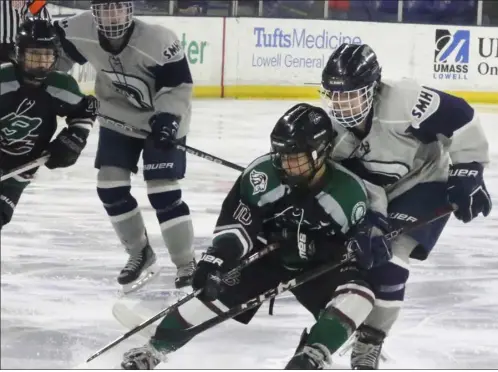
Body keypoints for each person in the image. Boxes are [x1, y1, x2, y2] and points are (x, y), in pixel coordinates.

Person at [118, 103, 392, 370]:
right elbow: (237, 226)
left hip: (317, 264)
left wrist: (366, 243)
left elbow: (361, 245)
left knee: (361, 294)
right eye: (281, 155)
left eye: (294, 158)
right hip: (266, 256)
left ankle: (310, 357)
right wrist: (216, 260)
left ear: (321, 153)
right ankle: (154, 349)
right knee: (211, 289)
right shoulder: (262, 175)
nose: (285, 164)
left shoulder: (348, 193)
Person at [320, 43, 492, 369]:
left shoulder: (404, 101)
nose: (341, 104)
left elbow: (461, 116)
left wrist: (468, 168)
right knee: (357, 259)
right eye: (335, 95)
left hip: (425, 181)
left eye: (350, 95)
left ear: (372, 89)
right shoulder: (335, 136)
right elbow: (353, 186)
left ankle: (370, 340)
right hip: (380, 192)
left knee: (389, 261)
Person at [52, 0, 196, 292]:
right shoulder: (80, 29)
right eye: (105, 9)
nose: (113, 15)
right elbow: (57, 61)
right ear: (95, 12)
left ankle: (186, 264)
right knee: (110, 186)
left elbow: (178, 85)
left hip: (163, 120)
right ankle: (139, 253)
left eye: (118, 8)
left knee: (163, 190)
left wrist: (168, 119)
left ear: (129, 9)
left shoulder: (158, 40)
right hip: (118, 116)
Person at [0, 17, 97, 229]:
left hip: (21, 167)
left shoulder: (61, 86)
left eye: (46, 56)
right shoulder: (3, 80)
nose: (41, 62)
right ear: (19, 53)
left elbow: (86, 110)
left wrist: (75, 138)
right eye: (34, 55)